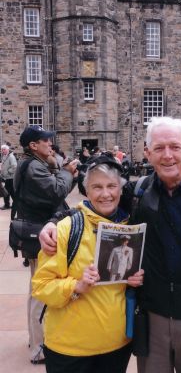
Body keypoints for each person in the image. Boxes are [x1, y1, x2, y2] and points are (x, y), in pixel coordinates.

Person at [39, 117, 181, 373]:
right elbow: (99, 204)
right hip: (153, 318)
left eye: (174, 146)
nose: (167, 155)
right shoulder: (138, 193)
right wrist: (54, 220)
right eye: (159, 148)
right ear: (147, 153)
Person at [32, 154, 144, 373]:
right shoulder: (65, 229)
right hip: (70, 349)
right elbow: (41, 286)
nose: (105, 194)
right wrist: (76, 286)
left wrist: (136, 281)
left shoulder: (131, 228)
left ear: (121, 190)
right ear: (87, 190)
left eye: (111, 186)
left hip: (116, 345)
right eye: (97, 187)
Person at [13, 125, 78, 364]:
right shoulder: (34, 167)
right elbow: (56, 191)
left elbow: (56, 194)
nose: (50, 144)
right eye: (46, 141)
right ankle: (39, 347)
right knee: (42, 292)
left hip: (36, 231)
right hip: (38, 234)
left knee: (36, 288)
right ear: (33, 145)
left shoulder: (35, 164)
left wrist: (64, 173)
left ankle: (35, 338)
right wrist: (68, 173)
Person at [0, 144, 17, 209]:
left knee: (6, 192)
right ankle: (15, 204)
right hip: (6, 177)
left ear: (7, 150)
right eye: (2, 150)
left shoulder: (11, 157)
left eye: (4, 149)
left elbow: (14, 167)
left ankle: (7, 205)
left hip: (10, 177)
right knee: (12, 192)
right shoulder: (4, 156)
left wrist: (8, 172)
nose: (2, 151)